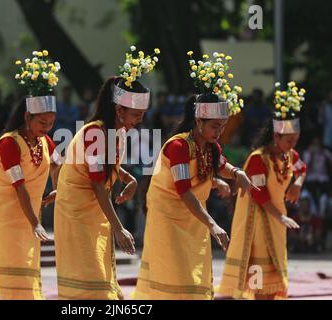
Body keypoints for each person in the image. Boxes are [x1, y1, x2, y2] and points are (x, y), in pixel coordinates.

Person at [133, 51, 257, 300]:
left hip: (193, 215)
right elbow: (183, 189)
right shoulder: (178, 147)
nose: (219, 132)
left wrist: (236, 173)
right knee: (175, 274)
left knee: (195, 275)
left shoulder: (210, 146)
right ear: (199, 121)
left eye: (222, 127)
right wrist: (212, 224)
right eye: (214, 127)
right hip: (169, 214)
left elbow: (219, 164)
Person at [54, 46, 160, 300]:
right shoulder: (95, 132)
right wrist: (119, 227)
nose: (139, 120)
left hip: (94, 211)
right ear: (119, 110)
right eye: (135, 114)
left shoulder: (118, 132)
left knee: (101, 279)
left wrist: (128, 178)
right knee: (91, 285)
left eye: (142, 115)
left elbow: (107, 168)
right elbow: (98, 184)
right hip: (77, 212)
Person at [217, 81, 307, 300]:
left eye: (296, 140)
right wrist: (281, 217)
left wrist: (297, 183)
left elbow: (302, 168)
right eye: (289, 140)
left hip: (277, 219)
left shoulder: (289, 156)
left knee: (275, 273)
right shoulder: (258, 159)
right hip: (257, 221)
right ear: (276, 137)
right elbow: (259, 193)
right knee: (257, 273)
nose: (293, 144)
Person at [0, 50, 62, 299]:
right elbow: (19, 186)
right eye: (42, 123)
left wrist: (57, 187)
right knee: (15, 265)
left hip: (29, 213)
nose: (46, 128)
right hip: (8, 215)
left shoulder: (46, 141)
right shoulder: (9, 144)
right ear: (27, 116)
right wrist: (36, 222)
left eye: (50, 123)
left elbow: (58, 165)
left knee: (30, 266)